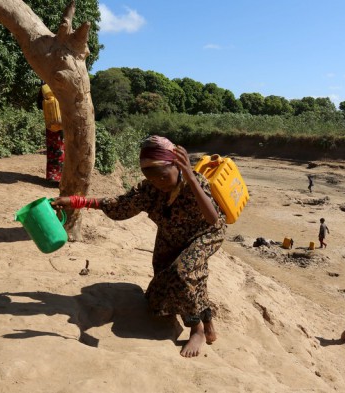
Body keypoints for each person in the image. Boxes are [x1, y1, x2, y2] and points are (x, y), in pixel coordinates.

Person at [51, 135, 226, 358]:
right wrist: (76, 201)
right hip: (173, 234)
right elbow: (120, 205)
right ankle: (208, 320)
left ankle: (197, 328)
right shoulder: (149, 190)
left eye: (163, 177)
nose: (158, 183)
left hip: (206, 233)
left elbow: (212, 219)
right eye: (151, 179)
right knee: (159, 295)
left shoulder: (195, 182)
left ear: (176, 165)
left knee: (182, 274)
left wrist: (191, 178)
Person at [37, 82, 65, 183]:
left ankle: (52, 176)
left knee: (53, 149)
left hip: (51, 123)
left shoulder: (44, 87)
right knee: (62, 150)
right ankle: (60, 178)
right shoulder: (64, 85)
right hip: (64, 123)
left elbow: (39, 105)